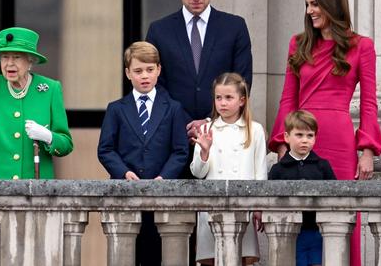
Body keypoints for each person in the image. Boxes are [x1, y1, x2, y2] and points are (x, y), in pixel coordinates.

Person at [268, 0, 381, 266]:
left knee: (342, 218)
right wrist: (283, 144)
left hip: (339, 143)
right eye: (307, 4)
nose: (310, 10)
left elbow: (369, 101)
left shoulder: (362, 46)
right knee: (298, 220)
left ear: (332, 4)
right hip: (301, 139)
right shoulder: (298, 44)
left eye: (315, 3)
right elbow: (287, 99)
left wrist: (367, 149)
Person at [0, 26, 73, 265]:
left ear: (30, 62)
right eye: (5, 57)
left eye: (17, 57)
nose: (10, 63)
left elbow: (66, 143)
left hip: (35, 196)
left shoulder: (49, 90)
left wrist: (48, 136)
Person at [146, 0, 253, 179]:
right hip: (173, 140)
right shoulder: (159, 30)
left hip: (223, 138)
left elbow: (242, 80)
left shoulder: (234, 27)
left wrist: (208, 121)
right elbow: (156, 85)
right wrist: (185, 121)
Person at [98, 41, 189, 266]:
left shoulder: (173, 108)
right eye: (138, 71)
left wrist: (164, 178)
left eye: (150, 70)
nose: (144, 76)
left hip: (162, 196)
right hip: (125, 193)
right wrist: (124, 172)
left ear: (159, 70)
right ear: (128, 73)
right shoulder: (116, 108)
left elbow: (180, 151)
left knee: (156, 255)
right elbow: (105, 149)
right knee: (125, 257)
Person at [190, 72, 266, 265]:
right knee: (213, 258)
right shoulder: (207, 129)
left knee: (240, 257)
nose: (222, 103)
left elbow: (260, 172)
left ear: (242, 100)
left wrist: (259, 206)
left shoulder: (255, 130)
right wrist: (204, 152)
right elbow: (197, 172)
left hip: (244, 206)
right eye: (218, 98)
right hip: (212, 206)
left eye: (228, 98)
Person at [268, 110, 336, 266]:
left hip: (317, 231)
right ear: (286, 137)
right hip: (288, 232)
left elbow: (334, 197)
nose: (305, 140)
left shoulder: (322, 166)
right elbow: (271, 202)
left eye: (310, 135)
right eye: (299, 135)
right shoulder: (278, 169)